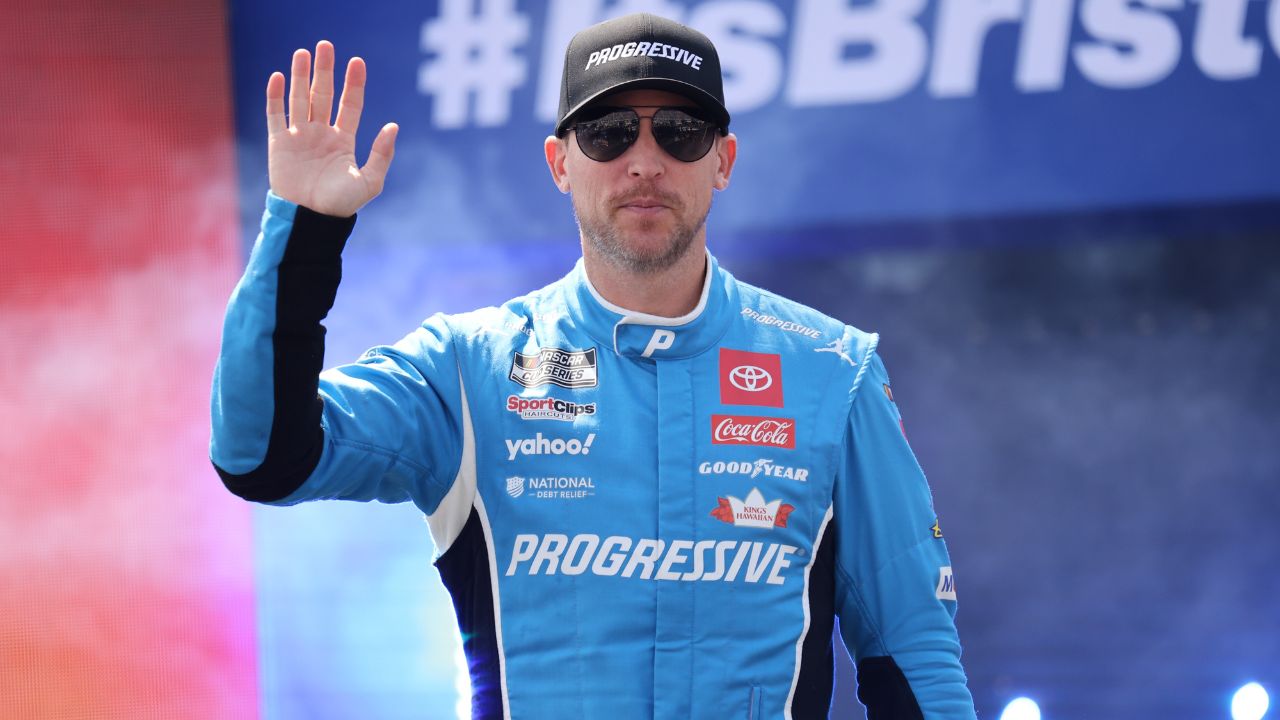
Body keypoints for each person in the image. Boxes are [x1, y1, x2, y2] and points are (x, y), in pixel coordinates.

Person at [210, 12, 977, 720]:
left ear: (723, 160)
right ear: (560, 163)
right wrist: (305, 231)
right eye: (608, 132)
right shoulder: (470, 367)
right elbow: (264, 456)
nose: (644, 162)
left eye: (679, 131)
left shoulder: (833, 373)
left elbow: (913, 654)